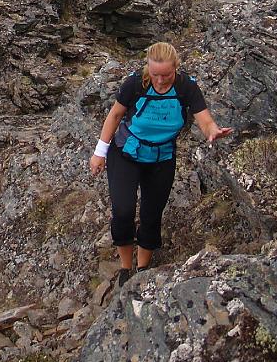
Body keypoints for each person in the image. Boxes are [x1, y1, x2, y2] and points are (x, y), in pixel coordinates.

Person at [90, 41, 232, 287]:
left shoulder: (186, 87)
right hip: (126, 153)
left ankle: (144, 267)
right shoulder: (136, 83)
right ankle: (126, 268)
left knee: (151, 214)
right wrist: (99, 153)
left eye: (166, 75)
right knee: (123, 211)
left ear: (176, 68)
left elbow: (204, 119)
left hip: (162, 157)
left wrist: (212, 131)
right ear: (148, 68)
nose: (160, 80)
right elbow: (114, 115)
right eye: (155, 74)